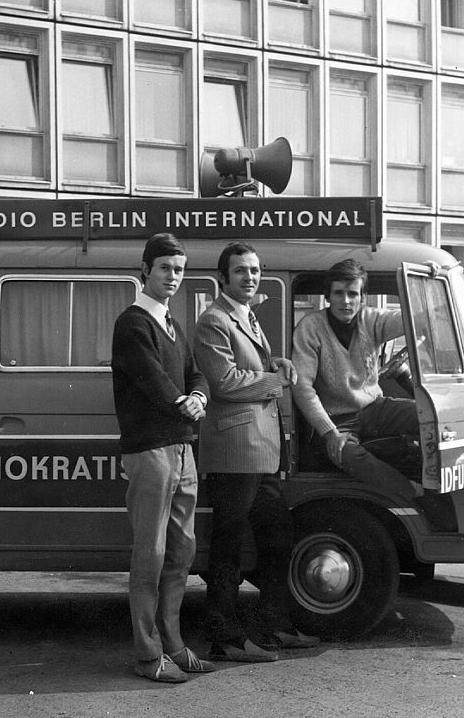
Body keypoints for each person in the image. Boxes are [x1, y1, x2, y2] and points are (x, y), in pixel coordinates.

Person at [193, 241, 319, 663]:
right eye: (241, 271)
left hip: (260, 449)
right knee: (227, 546)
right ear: (223, 278)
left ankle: (275, 627)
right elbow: (225, 381)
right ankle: (225, 639)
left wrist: (275, 362)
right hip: (234, 449)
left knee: (277, 536)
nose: (250, 277)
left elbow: (249, 365)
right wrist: (274, 379)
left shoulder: (245, 317)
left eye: (254, 270)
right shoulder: (214, 320)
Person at [112, 233, 215, 683]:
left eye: (179, 269)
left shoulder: (174, 324)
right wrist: (184, 404)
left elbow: (196, 373)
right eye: (165, 268)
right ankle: (146, 653)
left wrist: (197, 395)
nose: (173, 276)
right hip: (150, 452)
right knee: (150, 555)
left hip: (182, 450)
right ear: (145, 271)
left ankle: (173, 644)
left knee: (181, 552)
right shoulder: (133, 323)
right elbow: (152, 380)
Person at [291, 258, 422, 494]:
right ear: (327, 296)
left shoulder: (372, 319)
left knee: (430, 417)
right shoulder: (310, 327)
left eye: (353, 294)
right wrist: (330, 433)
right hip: (336, 419)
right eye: (339, 293)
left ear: (363, 298)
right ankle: (414, 494)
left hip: (375, 408)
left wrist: (427, 281)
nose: (346, 301)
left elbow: (417, 320)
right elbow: (302, 387)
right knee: (347, 454)